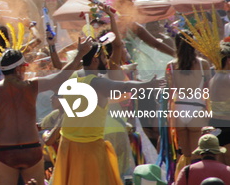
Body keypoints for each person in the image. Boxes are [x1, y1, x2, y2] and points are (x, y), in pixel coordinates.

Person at [0, 37, 93, 185]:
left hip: (6, 151)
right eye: (24, 67)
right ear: (18, 69)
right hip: (31, 150)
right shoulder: (31, 86)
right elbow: (61, 76)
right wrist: (80, 54)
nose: (25, 70)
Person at [50, 41, 165, 185]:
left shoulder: (72, 77)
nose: (106, 61)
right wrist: (147, 85)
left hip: (67, 146)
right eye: (104, 57)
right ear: (95, 60)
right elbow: (124, 86)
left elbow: (59, 70)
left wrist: (58, 48)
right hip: (89, 148)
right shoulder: (97, 83)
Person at [167, 30, 211, 176]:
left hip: (178, 110)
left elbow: (170, 94)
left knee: (183, 155)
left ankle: (183, 179)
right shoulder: (203, 64)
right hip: (197, 109)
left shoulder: (171, 66)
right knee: (196, 156)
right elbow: (208, 91)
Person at [209, 42, 230, 165]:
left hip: (216, 124)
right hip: (227, 124)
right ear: (228, 60)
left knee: (221, 165)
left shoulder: (214, 78)